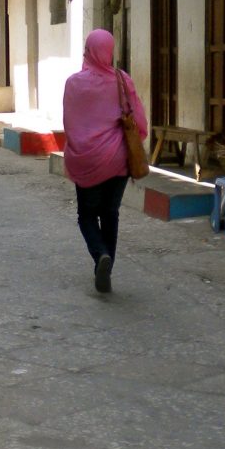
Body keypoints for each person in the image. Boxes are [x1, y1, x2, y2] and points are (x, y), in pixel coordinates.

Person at [62, 29, 148, 294]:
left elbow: (69, 123)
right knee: (110, 214)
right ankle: (106, 264)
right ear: (110, 51)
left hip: (86, 159)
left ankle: (100, 255)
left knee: (86, 215)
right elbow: (140, 124)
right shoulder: (123, 80)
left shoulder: (74, 83)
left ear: (88, 50)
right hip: (118, 160)